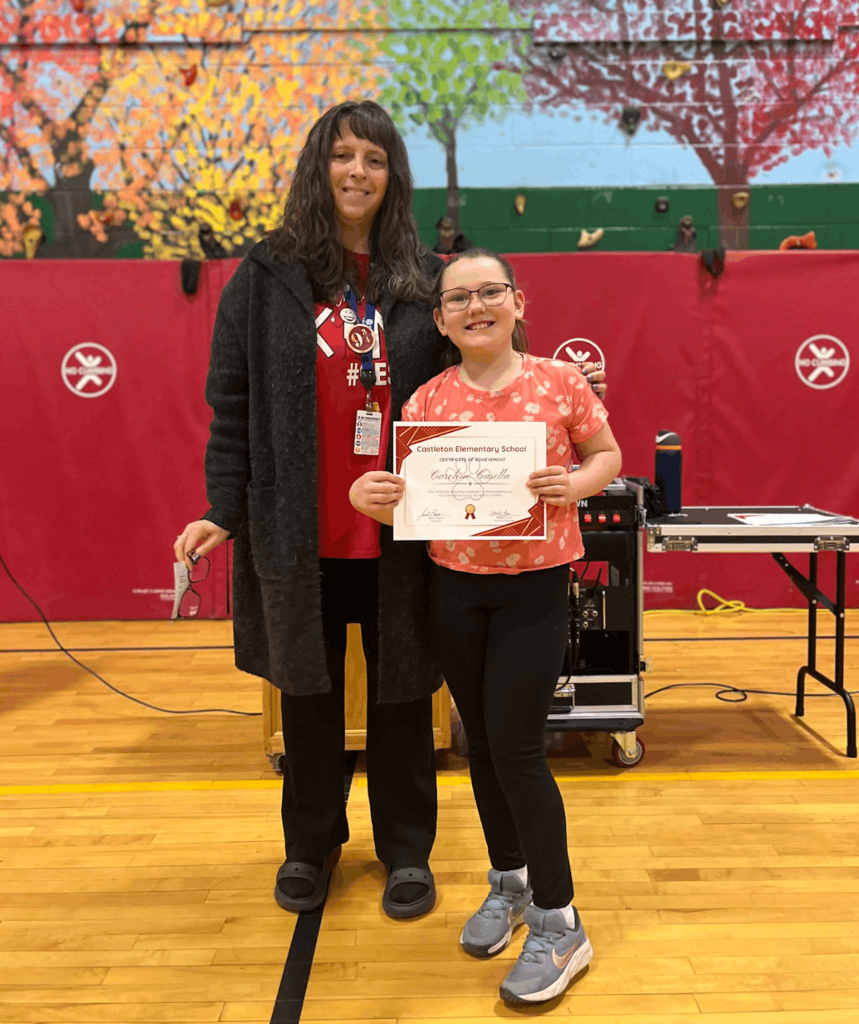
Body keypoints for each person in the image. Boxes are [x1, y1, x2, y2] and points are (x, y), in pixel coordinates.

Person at [175, 102, 608, 922]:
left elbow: (484, 368)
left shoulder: (422, 277)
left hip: (407, 537)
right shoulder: (264, 278)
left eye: (374, 160)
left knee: (403, 698)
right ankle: (309, 846)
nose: (357, 173)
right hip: (297, 533)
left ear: (392, 176)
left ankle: (406, 850)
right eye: (343, 156)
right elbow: (231, 406)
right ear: (318, 167)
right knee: (306, 696)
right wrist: (223, 508)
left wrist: (554, 410)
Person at [349, 248, 621, 1002]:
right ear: (440, 320)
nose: (476, 307)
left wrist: (574, 483)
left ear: (517, 303)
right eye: (458, 298)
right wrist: (369, 499)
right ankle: (509, 882)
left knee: (519, 750)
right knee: (480, 746)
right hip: (455, 590)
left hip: (534, 589)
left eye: (490, 292)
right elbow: (405, 501)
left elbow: (606, 455)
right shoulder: (427, 399)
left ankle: (561, 922)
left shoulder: (559, 382)